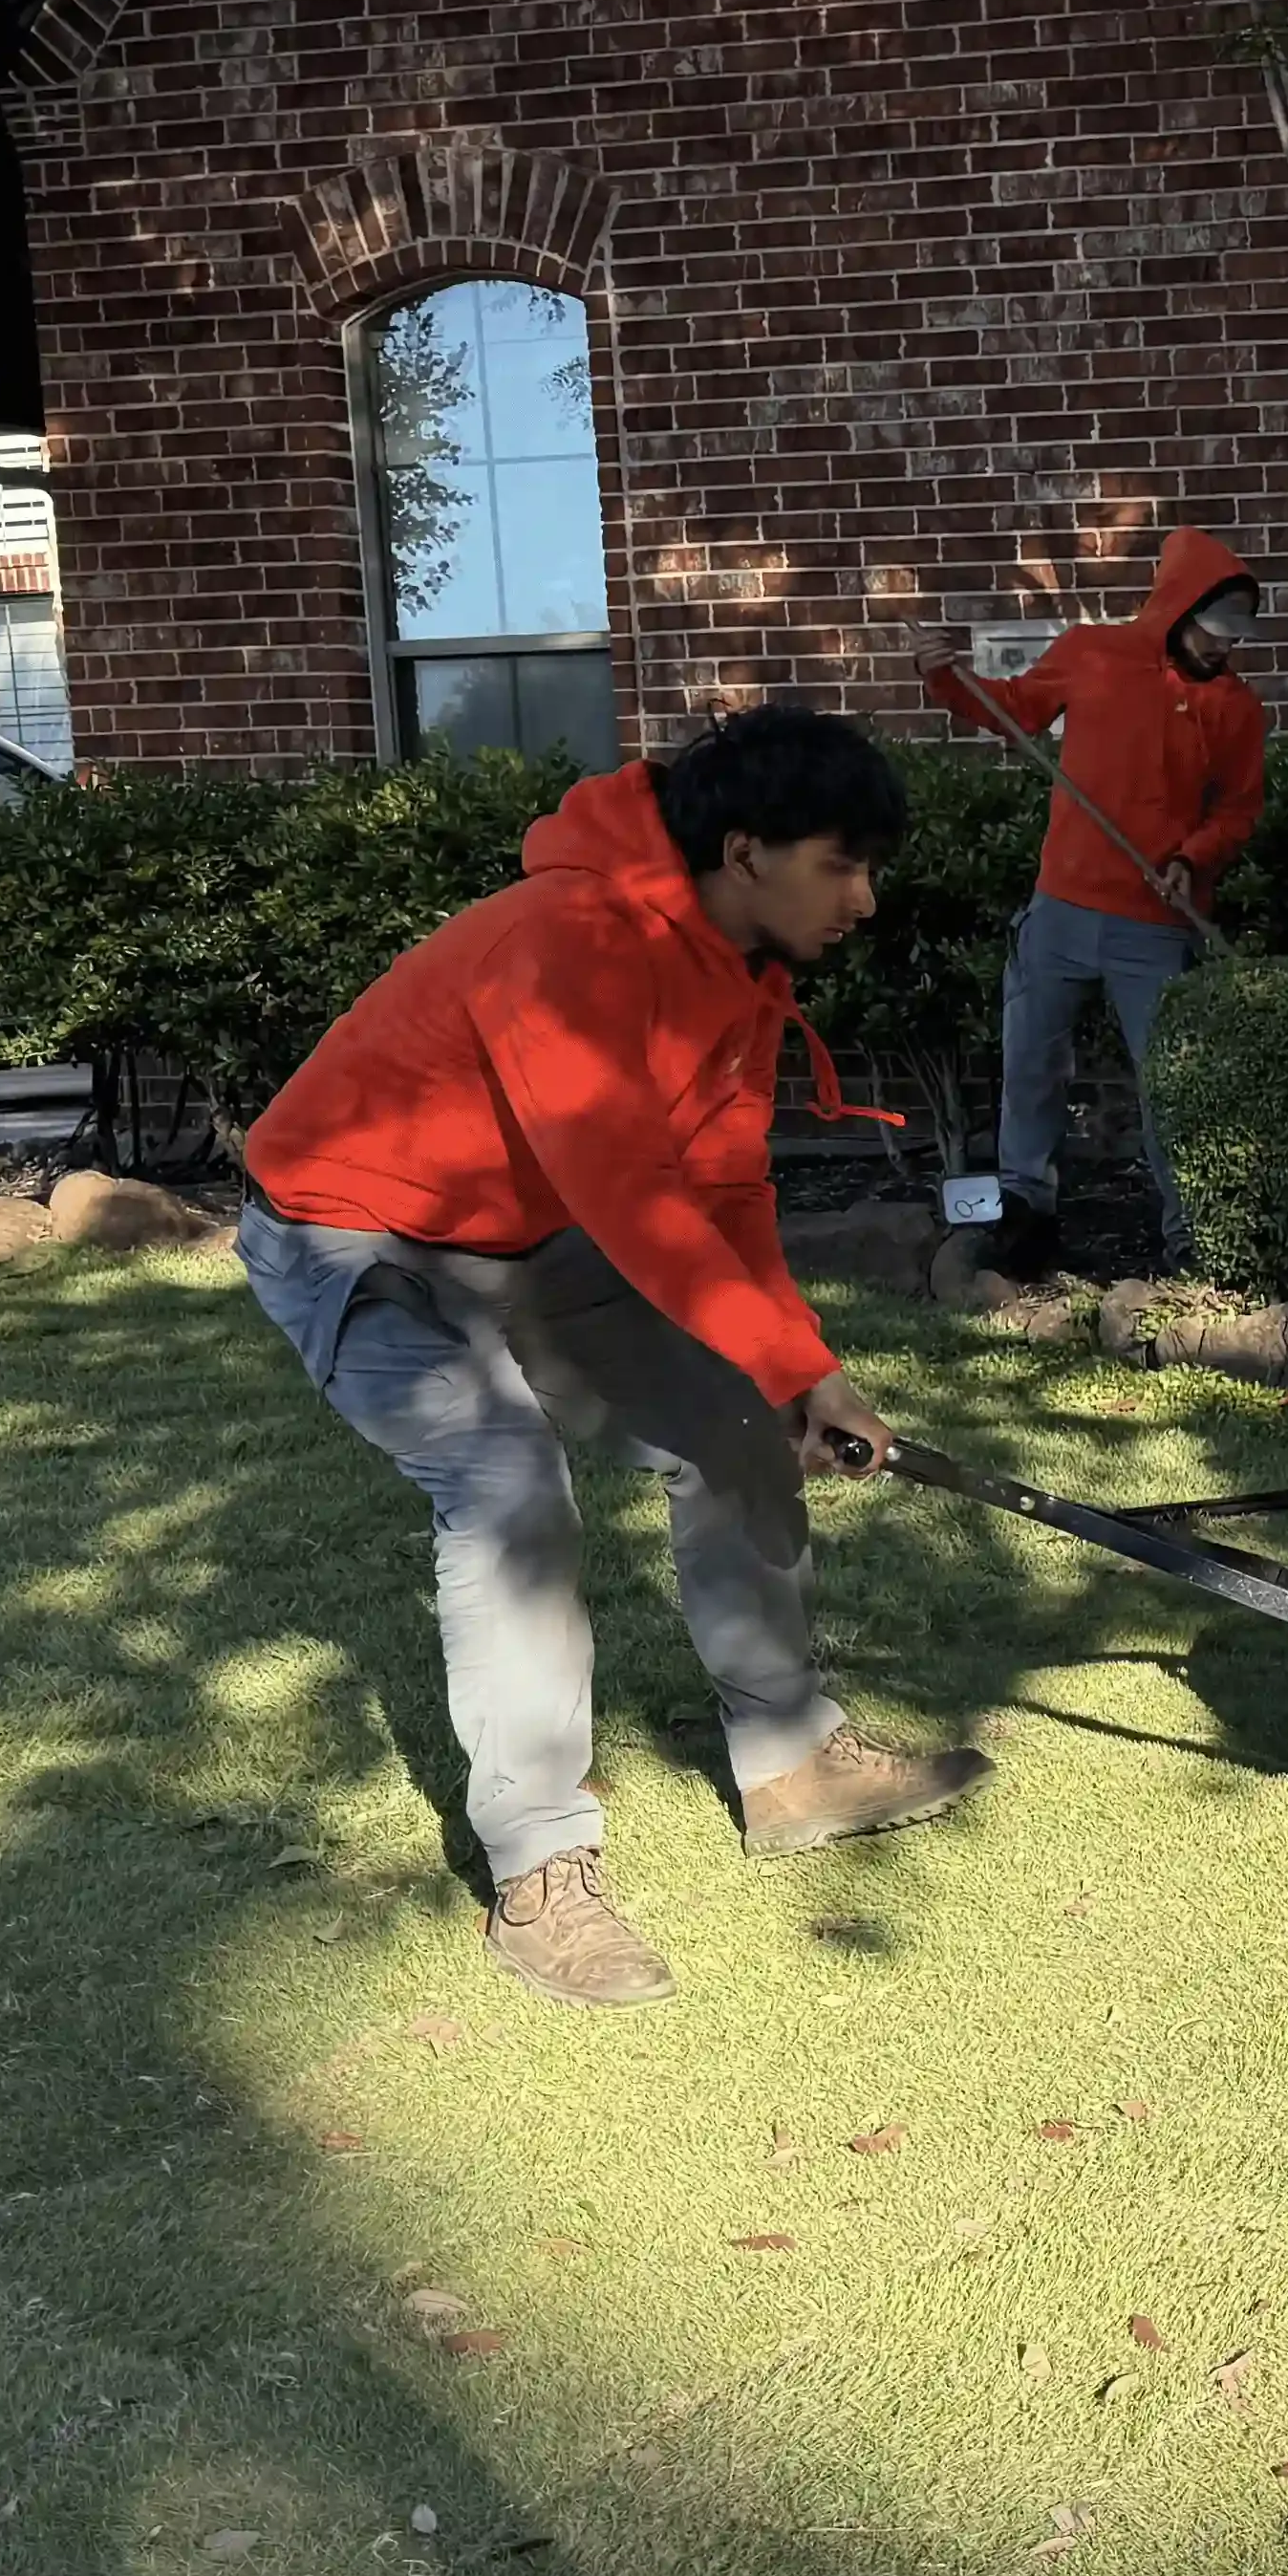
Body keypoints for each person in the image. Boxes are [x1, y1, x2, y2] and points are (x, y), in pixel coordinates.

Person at [238, 704, 992, 2009]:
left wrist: (800, 1372)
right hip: (355, 1240)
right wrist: (787, 1356)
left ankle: (793, 1764)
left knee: (735, 1417)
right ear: (747, 851)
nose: (866, 900)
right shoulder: (567, 944)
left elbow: (721, 1192)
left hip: (528, 1232)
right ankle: (539, 1875)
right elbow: (637, 1202)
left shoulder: (741, 970)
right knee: (509, 1488)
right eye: (843, 864)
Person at [921, 528, 1269, 1279]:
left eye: (1237, 634)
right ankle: (1023, 1216)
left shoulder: (1237, 709)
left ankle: (1191, 1242)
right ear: (1178, 609)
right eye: (1214, 630)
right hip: (1059, 911)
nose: (1223, 648)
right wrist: (950, 680)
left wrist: (1191, 858)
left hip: (1156, 926)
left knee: (1171, 1083)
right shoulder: (1092, 653)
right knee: (1032, 1064)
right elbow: (1013, 711)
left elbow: (1238, 810)